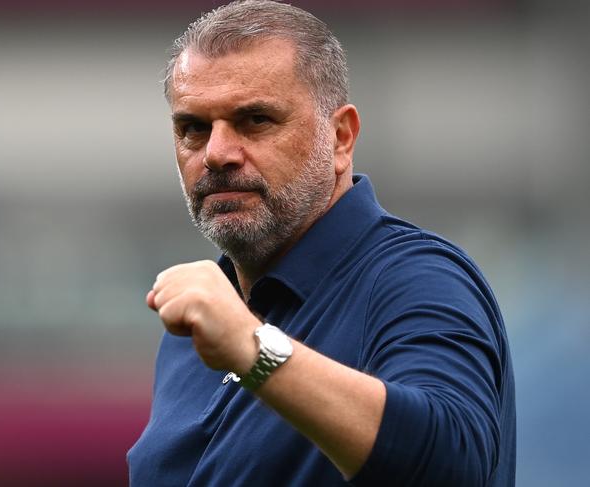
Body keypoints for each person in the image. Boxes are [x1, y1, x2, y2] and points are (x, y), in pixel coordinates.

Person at [127, 1, 516, 485]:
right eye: (193, 128)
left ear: (340, 137)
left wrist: (253, 348)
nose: (217, 154)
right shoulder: (202, 320)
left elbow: (453, 463)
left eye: (256, 120)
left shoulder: (415, 277)